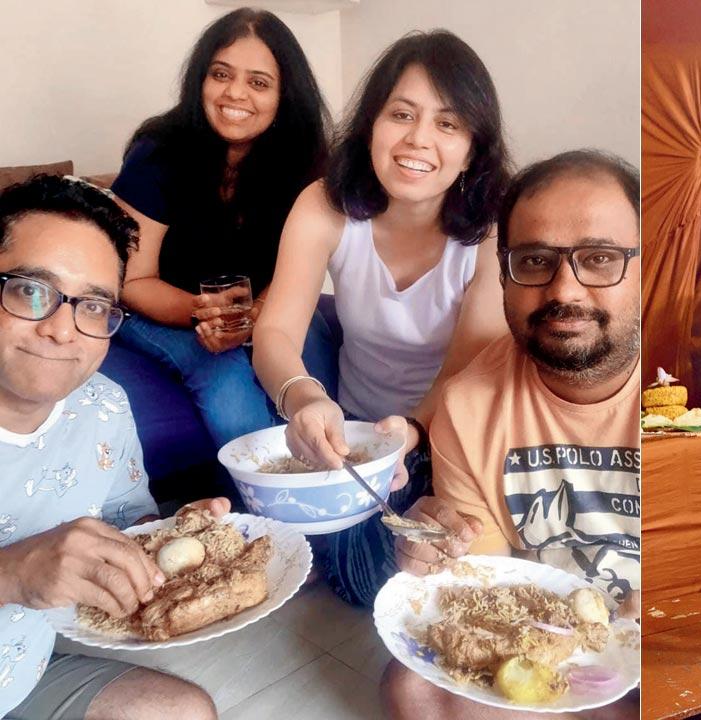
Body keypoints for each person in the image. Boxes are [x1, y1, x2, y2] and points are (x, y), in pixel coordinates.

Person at [252, 30, 510, 606]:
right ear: (371, 123)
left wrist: (412, 433)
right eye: (401, 114)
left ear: (473, 148)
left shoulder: (493, 231)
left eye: (447, 124)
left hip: (445, 437)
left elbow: (465, 373)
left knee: (426, 588)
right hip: (353, 437)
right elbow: (273, 331)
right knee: (371, 582)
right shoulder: (324, 204)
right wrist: (303, 397)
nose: (418, 140)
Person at [379, 150, 640, 719]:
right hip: (560, 640)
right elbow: (486, 587)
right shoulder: (469, 405)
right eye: (535, 260)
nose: (564, 290)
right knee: (416, 690)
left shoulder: (695, 396)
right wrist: (441, 553)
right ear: (503, 275)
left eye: (600, 258)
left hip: (681, 642)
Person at [0, 175, 227, 720]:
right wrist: (14, 572)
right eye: (32, 291)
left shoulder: (102, 404)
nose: (64, 330)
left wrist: (172, 536)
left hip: (23, 676)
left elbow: (128, 521)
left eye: (94, 306)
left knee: (182, 712)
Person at [110, 8, 332, 455]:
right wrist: (205, 314)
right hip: (158, 309)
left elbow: (298, 270)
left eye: (258, 82)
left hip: (257, 306)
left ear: (285, 94)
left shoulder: (305, 163)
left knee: (313, 353)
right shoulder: (158, 154)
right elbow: (132, 281)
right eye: (221, 74)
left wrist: (255, 318)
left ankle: (334, 490)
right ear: (200, 79)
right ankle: (261, 505)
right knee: (226, 379)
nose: (235, 93)